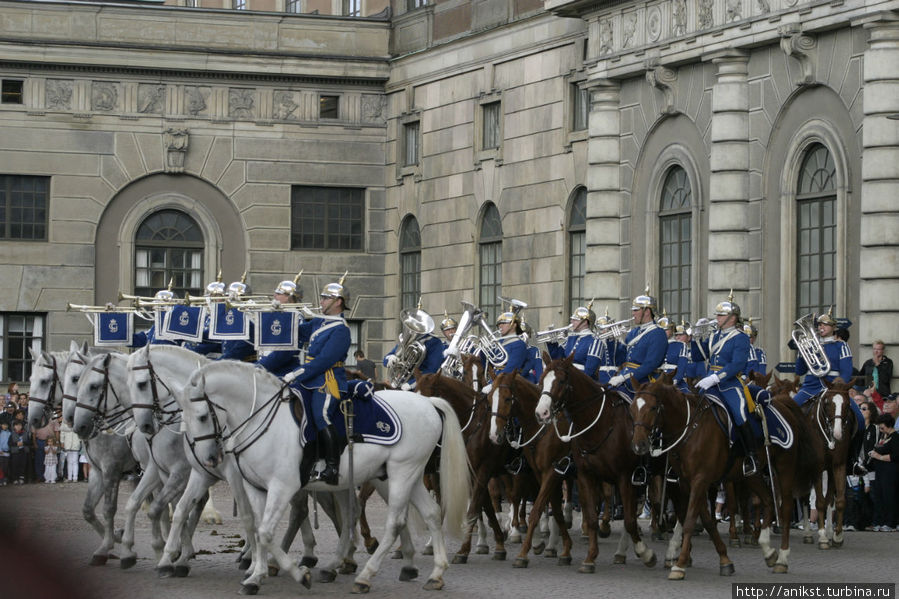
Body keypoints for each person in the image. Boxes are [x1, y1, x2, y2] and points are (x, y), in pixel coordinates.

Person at [282, 274, 352, 485]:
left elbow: (324, 361)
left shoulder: (341, 329)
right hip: (310, 378)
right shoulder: (320, 322)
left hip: (328, 380)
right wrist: (282, 312)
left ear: (337, 302)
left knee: (321, 415)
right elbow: (297, 332)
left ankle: (332, 467)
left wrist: (297, 372)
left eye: (324, 298)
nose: (320, 301)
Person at [691, 292, 758, 476]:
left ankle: (751, 455)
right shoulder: (714, 336)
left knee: (740, 414)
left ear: (732, 317)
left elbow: (737, 364)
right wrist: (695, 338)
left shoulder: (740, 337)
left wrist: (716, 377)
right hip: (708, 381)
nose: (717, 318)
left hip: (729, 383)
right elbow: (698, 356)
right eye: (717, 315)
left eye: (720, 315)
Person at [608, 289, 668, 398]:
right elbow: (621, 360)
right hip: (625, 377)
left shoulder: (658, 333)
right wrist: (613, 342)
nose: (633, 313)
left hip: (642, 381)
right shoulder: (633, 332)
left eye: (636, 310)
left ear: (647, 311)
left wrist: (625, 378)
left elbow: (651, 364)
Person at [253, 279, 303, 376]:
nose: (274, 296)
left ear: (289, 297)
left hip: (282, 371)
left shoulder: (296, 317)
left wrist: (261, 366)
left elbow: (286, 351)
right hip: (266, 366)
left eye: (279, 293)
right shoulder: (276, 314)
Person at [546, 302, 602, 380]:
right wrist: (552, 342)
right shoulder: (571, 338)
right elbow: (557, 358)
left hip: (581, 381)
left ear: (585, 322)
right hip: (567, 378)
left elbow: (590, 369)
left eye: (575, 320)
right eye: (572, 319)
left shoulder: (595, 340)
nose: (572, 321)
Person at [868, 413, 899, 531]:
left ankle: (891, 522)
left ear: (888, 425)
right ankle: (880, 521)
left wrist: (879, 456)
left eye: (882, 427)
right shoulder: (883, 437)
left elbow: (896, 455)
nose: (881, 430)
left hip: (890, 471)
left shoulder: (895, 437)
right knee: (880, 496)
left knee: (889, 496)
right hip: (880, 471)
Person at [594, 308, 627, 384]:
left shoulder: (617, 343)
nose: (604, 331)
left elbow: (622, 360)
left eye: (607, 328)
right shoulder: (596, 342)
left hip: (615, 374)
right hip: (599, 375)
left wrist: (619, 339)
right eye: (601, 328)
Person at [8, 420, 30, 485]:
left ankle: (21, 478)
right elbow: (9, 443)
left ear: (22, 426)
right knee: (15, 465)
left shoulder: (25, 433)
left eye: (20, 425)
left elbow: (29, 442)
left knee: (22, 465)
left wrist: (23, 443)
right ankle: (15, 479)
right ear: (14, 426)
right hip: (15, 452)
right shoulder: (12, 434)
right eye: (16, 425)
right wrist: (16, 444)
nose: (18, 427)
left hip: (23, 451)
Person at [0, 420, 10, 486]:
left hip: (7, 452)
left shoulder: (9, 433)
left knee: (6, 467)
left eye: (6, 425)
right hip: (0, 452)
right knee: (1, 467)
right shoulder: (0, 432)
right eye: (3, 424)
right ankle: (1, 479)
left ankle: (5, 479)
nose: (5, 426)